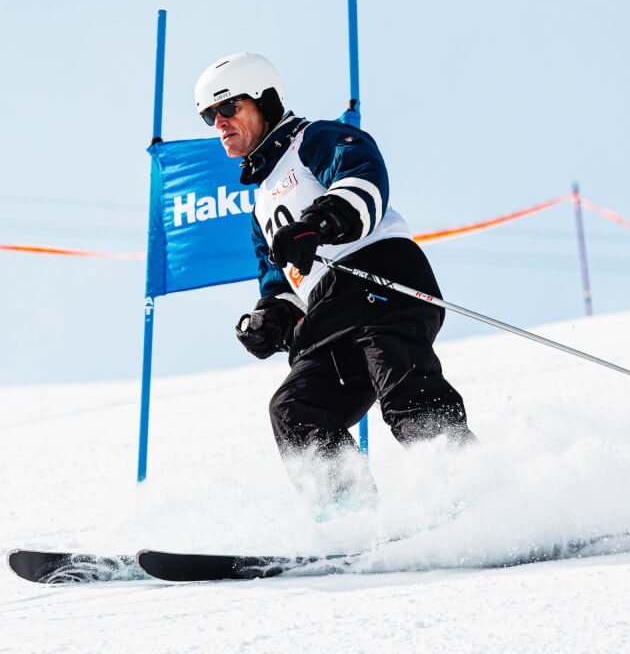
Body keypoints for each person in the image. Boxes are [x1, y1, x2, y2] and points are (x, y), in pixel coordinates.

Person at [194, 53, 477, 517]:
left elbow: (363, 176)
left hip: (380, 275)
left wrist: (318, 223)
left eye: (228, 107)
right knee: (296, 408)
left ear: (265, 101)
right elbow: (281, 285)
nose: (220, 122)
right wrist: (270, 320)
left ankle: (474, 494)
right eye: (210, 116)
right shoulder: (261, 205)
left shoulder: (312, 139)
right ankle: (350, 518)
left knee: (405, 391)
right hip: (328, 311)